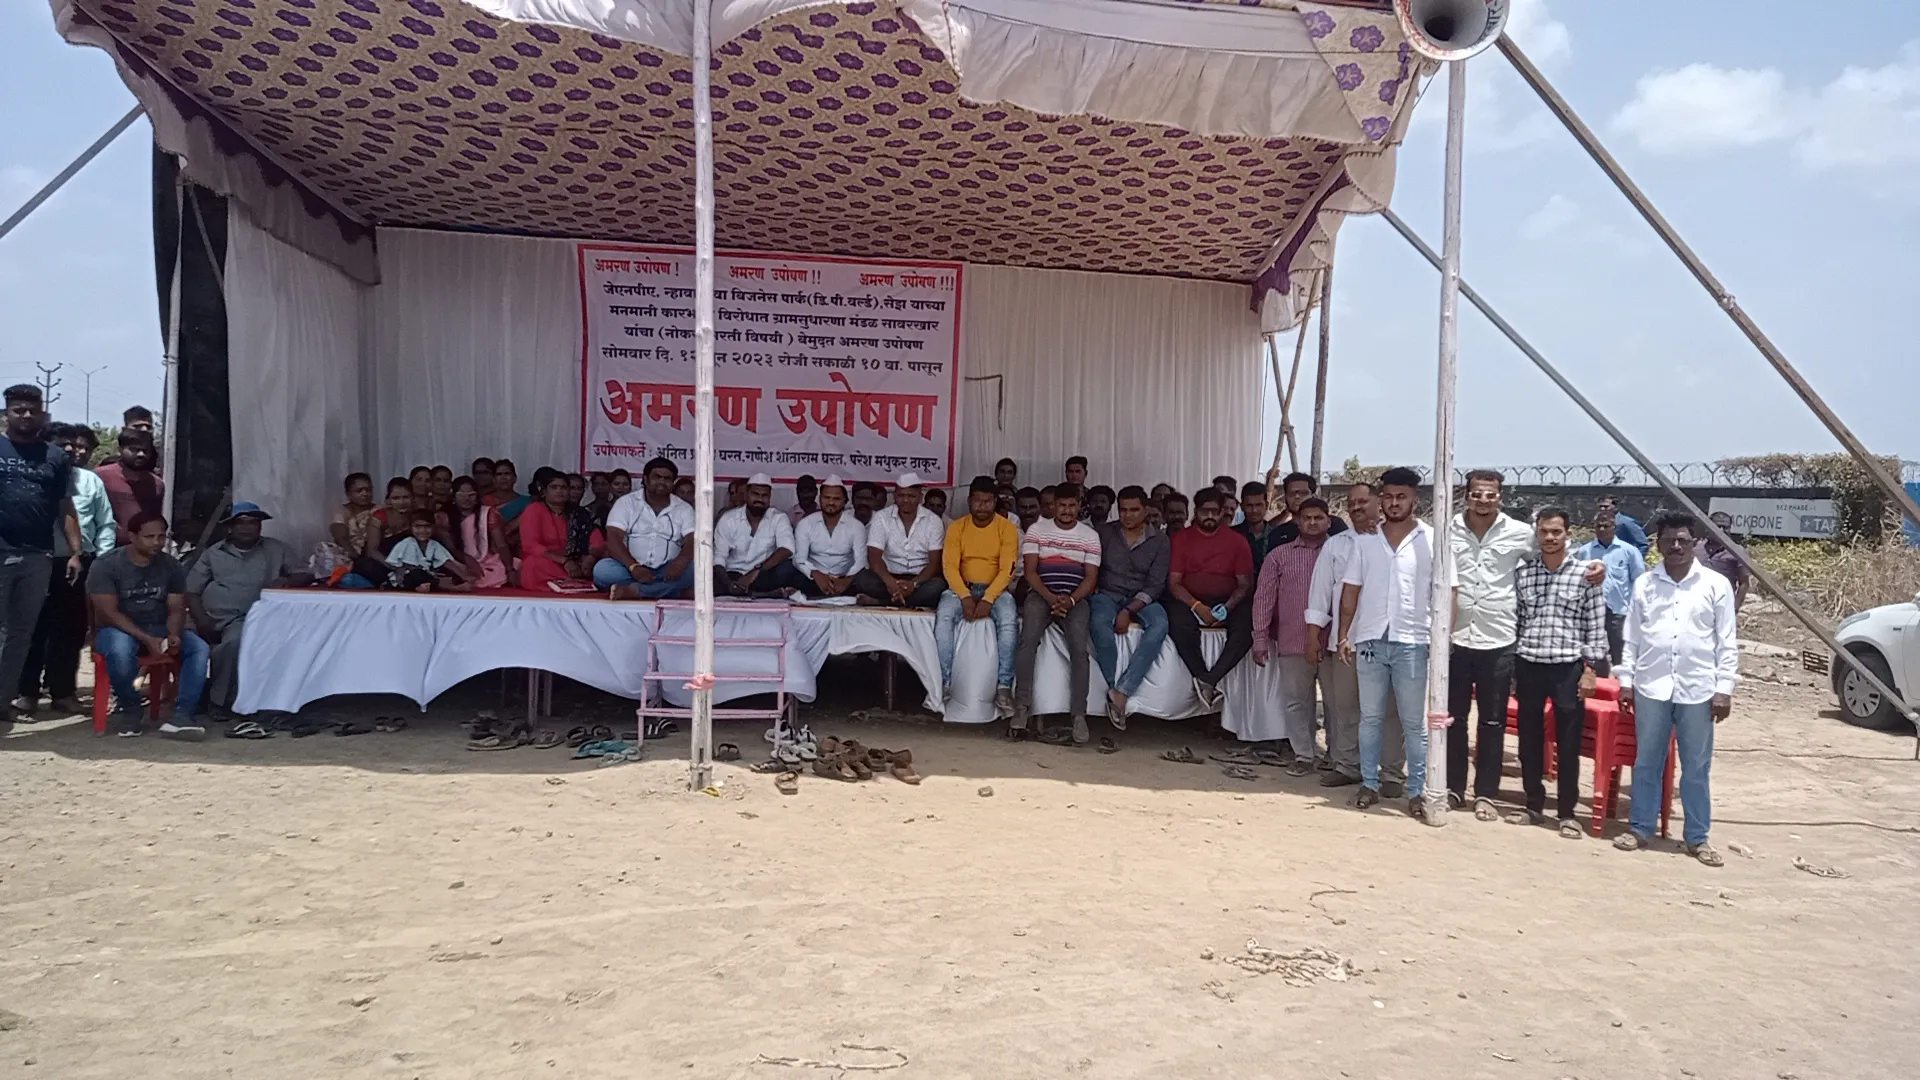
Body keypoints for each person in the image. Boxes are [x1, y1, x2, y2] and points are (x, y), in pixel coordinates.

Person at [1614, 511, 1739, 868]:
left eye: (1683, 540)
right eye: (1669, 541)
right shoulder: (1645, 584)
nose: (1677, 546)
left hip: (1698, 689)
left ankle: (1697, 837)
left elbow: (1727, 641)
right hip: (1651, 686)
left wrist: (1724, 688)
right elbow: (1631, 638)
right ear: (1659, 544)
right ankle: (1640, 828)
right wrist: (1626, 682)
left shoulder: (1715, 585)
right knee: (1647, 762)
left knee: (1696, 767)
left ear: (1694, 542)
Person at [1337, 466, 1434, 819]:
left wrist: (1443, 640)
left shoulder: (1431, 540)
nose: (1395, 503)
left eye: (1401, 497)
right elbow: (1351, 591)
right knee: (1371, 718)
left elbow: (1447, 592)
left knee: (1414, 723)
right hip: (1371, 640)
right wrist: (1344, 634)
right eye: (1389, 497)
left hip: (1414, 640)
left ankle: (1417, 790)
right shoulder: (1365, 542)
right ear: (1381, 500)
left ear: (1414, 500)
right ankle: (1369, 783)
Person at [1509, 506, 1609, 836]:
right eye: (1544, 531)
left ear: (1568, 534)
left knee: (1568, 742)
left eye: (1556, 532)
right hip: (1529, 664)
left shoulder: (1586, 575)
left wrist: (1590, 669)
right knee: (1529, 740)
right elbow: (1519, 622)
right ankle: (1533, 805)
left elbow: (1595, 624)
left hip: (1568, 668)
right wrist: (1513, 670)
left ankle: (1567, 813)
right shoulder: (1524, 575)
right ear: (1536, 533)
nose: (1550, 537)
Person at [1306, 482, 1403, 791]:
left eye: (1363, 501)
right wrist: (1313, 636)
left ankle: (1390, 773)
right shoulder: (1336, 545)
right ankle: (1348, 765)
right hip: (1345, 641)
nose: (1356, 507)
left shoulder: (1397, 542)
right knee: (1345, 707)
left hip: (1386, 640)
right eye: (1351, 503)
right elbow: (1320, 594)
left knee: (1388, 710)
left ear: (1379, 502)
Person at [1447, 468, 1533, 815]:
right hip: (1454, 638)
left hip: (1499, 639)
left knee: (1493, 721)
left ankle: (1485, 793)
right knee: (1453, 719)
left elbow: (1552, 554)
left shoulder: (1520, 533)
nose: (1483, 500)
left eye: (1490, 495)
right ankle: (1453, 789)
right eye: (1476, 494)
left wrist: (1592, 567)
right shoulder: (1448, 530)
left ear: (1500, 497)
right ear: (1466, 495)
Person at [0, 386, 81, 730]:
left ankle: (3, 702)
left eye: (32, 410)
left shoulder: (55, 457)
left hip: (38, 555)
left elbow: (66, 507)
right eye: (19, 410)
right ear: (6, 413)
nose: (26, 415)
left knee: (21, 633)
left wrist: (75, 552)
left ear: (43, 413)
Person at [18, 423, 111, 717]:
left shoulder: (90, 481)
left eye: (74, 444)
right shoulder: (28, 476)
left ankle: (63, 692)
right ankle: (27, 693)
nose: (71, 449)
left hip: (77, 563)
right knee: (31, 629)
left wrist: (100, 561)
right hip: (35, 561)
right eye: (63, 444)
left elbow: (105, 524)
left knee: (70, 630)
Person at [89, 512, 208, 737]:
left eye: (161, 536)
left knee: (199, 648)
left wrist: (174, 634)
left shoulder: (171, 565)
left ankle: (182, 715)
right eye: (149, 537)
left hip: (159, 626)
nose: (157, 542)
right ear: (132, 536)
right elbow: (109, 613)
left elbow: (176, 607)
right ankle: (131, 708)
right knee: (120, 651)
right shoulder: (106, 565)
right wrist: (146, 639)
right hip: (117, 629)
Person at [185, 502, 307, 715]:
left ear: (260, 526)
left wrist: (287, 580)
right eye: (241, 523)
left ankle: (221, 701)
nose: (247, 527)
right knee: (226, 643)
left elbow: (306, 573)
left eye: (253, 522)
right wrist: (202, 620)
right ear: (230, 527)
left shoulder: (275, 548)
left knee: (237, 642)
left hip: (256, 617)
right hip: (217, 618)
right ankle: (215, 700)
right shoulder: (214, 553)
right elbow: (191, 591)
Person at [1251, 496, 1334, 775]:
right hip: (1292, 640)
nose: (1312, 523)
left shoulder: (1340, 553)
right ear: (1297, 521)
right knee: (1297, 702)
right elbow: (1263, 599)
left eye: (1318, 518)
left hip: (1334, 643)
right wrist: (1260, 638)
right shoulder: (1279, 556)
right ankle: (1304, 755)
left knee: (1337, 705)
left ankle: (1337, 757)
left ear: (1329, 521)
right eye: (1306, 518)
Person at [1015, 482, 1101, 743]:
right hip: (1041, 596)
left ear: (1079, 506)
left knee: (1080, 649)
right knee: (1027, 642)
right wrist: (1052, 598)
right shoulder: (1036, 530)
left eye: (1072, 505)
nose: (1066, 510)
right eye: (1061, 505)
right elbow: (1030, 572)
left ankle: (1079, 715)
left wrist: (1071, 601)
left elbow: (1091, 578)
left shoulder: (1090, 535)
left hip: (1076, 599)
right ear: (1053, 506)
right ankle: (1021, 707)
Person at [935, 477, 1020, 718]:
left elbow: (1007, 570)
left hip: (996, 590)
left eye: (988, 501)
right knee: (943, 618)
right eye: (978, 501)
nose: (982, 506)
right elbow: (949, 566)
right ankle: (945, 682)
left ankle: (1004, 686)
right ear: (969, 501)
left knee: (1009, 621)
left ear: (995, 502)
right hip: (960, 588)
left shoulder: (1007, 528)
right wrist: (964, 596)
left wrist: (988, 598)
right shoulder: (957, 527)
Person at [1165, 488, 1255, 709]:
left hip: (1228, 601)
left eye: (1215, 511)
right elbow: (1174, 583)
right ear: (1196, 511)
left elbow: (1245, 584)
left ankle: (1210, 679)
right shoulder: (1181, 539)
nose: (1210, 516)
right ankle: (1201, 675)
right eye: (1205, 511)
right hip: (1189, 600)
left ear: (1223, 512)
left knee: (1248, 624)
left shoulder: (1237, 541)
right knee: (1177, 620)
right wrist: (1197, 606)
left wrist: (1227, 607)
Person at [1090, 485, 1169, 732]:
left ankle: (1124, 690)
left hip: (1143, 597)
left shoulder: (1160, 540)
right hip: (1107, 594)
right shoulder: (1104, 533)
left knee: (1160, 625)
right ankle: (1112, 687)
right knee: (1099, 624)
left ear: (1145, 510)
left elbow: (1156, 584)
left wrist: (1128, 610)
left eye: (1134, 510)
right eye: (1123, 510)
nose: (1128, 515)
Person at [594, 456, 697, 599]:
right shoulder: (626, 503)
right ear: (646, 479)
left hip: (669, 571)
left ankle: (635, 591)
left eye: (667, 478)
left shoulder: (684, 508)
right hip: (629, 568)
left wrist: (681, 562)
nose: (662, 482)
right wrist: (633, 567)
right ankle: (672, 591)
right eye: (657, 477)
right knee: (602, 571)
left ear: (673, 483)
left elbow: (692, 540)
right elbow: (613, 538)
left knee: (695, 570)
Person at [852, 473, 945, 608]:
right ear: (895, 496)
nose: (905, 500)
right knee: (863, 579)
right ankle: (904, 601)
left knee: (937, 587)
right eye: (901, 495)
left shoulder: (933, 521)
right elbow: (874, 557)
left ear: (920, 497)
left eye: (911, 496)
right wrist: (891, 583)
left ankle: (882, 602)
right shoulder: (882, 517)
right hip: (888, 577)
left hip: (920, 580)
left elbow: (934, 563)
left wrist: (913, 584)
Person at [713, 472, 802, 597]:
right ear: (746, 494)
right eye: (755, 494)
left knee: (787, 568)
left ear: (770, 497)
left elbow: (787, 548)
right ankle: (760, 594)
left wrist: (756, 570)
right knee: (708, 578)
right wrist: (728, 584)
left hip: (762, 575)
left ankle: (750, 592)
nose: (759, 499)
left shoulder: (778, 518)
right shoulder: (728, 519)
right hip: (733, 574)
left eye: (764, 495)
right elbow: (719, 557)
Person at [1577, 507, 1644, 666]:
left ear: (1614, 527)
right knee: (1594, 652)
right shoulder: (1584, 551)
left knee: (1620, 652)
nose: (1602, 529)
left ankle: (1621, 679)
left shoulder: (1629, 551)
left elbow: (1639, 581)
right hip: (1592, 610)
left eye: (1606, 526)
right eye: (1598, 526)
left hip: (1619, 610)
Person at [519, 473, 602, 592]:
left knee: (603, 565)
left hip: (578, 562)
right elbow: (531, 545)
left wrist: (590, 558)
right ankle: (572, 581)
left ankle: (574, 580)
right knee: (533, 564)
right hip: (549, 562)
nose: (559, 491)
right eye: (554, 487)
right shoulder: (534, 510)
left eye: (563, 487)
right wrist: (565, 561)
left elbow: (596, 539)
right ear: (544, 492)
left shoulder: (579, 513)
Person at [793, 475, 868, 598]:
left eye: (836, 499)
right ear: (820, 499)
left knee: (865, 579)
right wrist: (815, 574)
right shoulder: (806, 523)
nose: (831, 502)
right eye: (827, 498)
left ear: (845, 501)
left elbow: (861, 560)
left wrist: (847, 580)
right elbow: (799, 559)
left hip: (845, 579)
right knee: (792, 573)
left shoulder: (856, 526)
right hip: (813, 579)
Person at [94, 428, 164, 545]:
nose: (141, 454)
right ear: (120, 450)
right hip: (105, 548)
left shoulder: (156, 484)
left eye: (145, 450)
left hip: (142, 549)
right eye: (134, 449)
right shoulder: (100, 476)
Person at [446, 475, 509, 588]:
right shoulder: (444, 516)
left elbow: (501, 545)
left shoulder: (488, 514)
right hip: (459, 562)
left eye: (471, 495)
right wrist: (466, 559)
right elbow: (448, 548)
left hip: (487, 561)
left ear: (477, 497)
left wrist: (510, 569)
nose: (466, 499)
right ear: (453, 497)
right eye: (461, 495)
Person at [386, 512, 472, 592]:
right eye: (417, 527)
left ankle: (425, 586)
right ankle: (454, 588)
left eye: (427, 527)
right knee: (417, 574)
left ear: (433, 527)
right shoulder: (408, 542)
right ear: (411, 528)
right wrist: (433, 577)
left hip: (429, 575)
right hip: (405, 577)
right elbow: (409, 566)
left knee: (449, 574)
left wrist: (464, 577)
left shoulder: (433, 544)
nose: (422, 530)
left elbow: (446, 562)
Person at [1268, 472, 1350, 546]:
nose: (1297, 496)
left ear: (1313, 496)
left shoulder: (1335, 525)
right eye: (1292, 493)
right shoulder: (1278, 534)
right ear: (1285, 497)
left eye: (1303, 493)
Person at [1700, 510, 1751, 611]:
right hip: (1697, 602)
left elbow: (1744, 583)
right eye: (1717, 526)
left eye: (1725, 527)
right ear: (1708, 527)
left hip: (1722, 605)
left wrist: (1734, 608)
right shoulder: (1696, 548)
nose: (1721, 530)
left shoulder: (1737, 551)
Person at [1235, 481, 1281, 568]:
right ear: (1242, 507)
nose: (1254, 510)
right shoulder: (1232, 535)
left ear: (1266, 505)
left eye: (1259, 505)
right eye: (1249, 506)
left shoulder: (1278, 536)